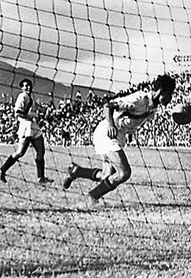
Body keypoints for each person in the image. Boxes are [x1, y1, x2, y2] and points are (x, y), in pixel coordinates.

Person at [62, 74, 176, 207]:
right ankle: (93, 196)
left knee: (106, 176)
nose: (170, 98)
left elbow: (132, 120)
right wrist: (111, 125)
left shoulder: (153, 108)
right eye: (170, 94)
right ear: (161, 91)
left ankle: (77, 171)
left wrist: (130, 133)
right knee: (124, 173)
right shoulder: (139, 99)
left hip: (119, 135)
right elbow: (108, 106)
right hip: (108, 132)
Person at [0, 78, 52, 184]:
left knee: (41, 151)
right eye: (25, 85)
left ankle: (41, 177)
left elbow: (35, 110)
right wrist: (30, 116)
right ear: (22, 88)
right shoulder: (22, 97)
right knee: (20, 152)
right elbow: (18, 113)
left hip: (34, 126)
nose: (28, 87)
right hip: (25, 127)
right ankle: (2, 170)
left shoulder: (31, 98)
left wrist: (41, 111)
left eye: (29, 85)